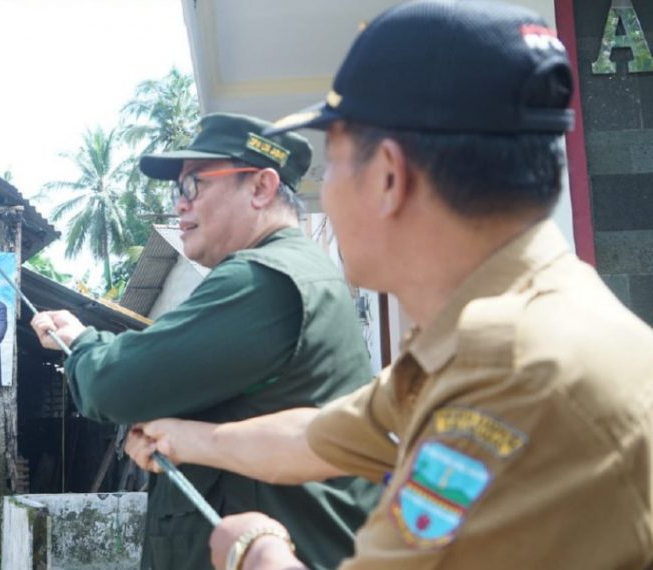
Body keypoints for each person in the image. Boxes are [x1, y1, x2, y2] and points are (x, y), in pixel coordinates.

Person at [125, 1, 653, 569]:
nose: (323, 196)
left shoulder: (507, 370)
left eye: (334, 164)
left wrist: (255, 550)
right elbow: (317, 436)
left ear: (389, 178)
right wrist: (184, 438)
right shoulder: (507, 323)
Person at [30, 113, 380, 570]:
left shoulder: (264, 280)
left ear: (260, 188)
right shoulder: (289, 272)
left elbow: (115, 386)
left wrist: (81, 341)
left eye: (194, 185)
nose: (180, 205)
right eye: (178, 190)